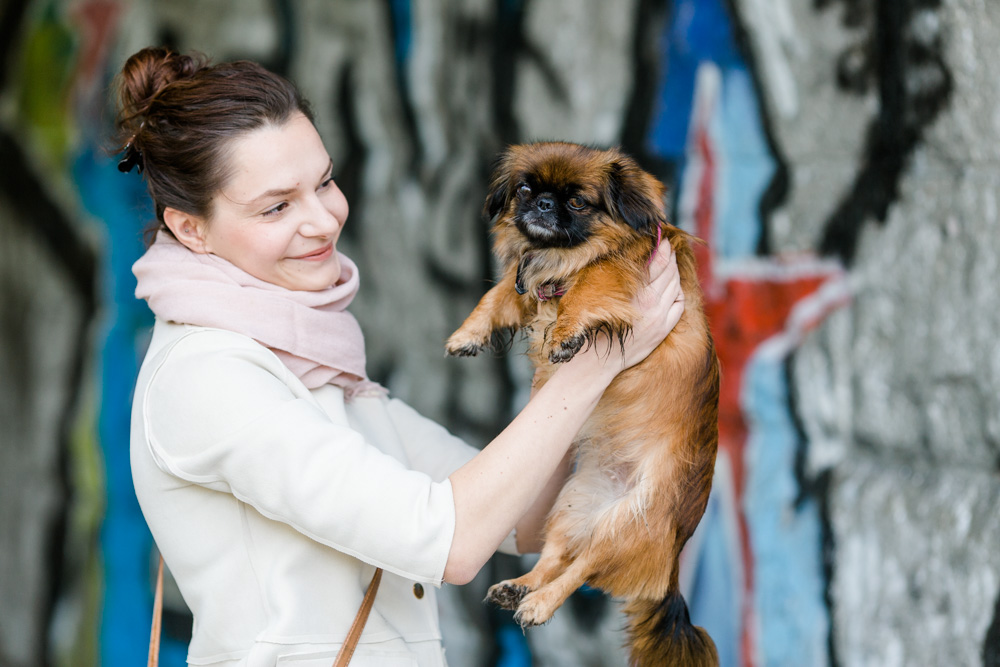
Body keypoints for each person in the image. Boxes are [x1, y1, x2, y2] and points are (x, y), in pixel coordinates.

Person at [120, 47, 685, 667]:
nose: (324, 220)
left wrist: (569, 333)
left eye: (325, 182)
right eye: (277, 207)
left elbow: (522, 519)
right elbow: (451, 540)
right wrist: (599, 359)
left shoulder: (313, 361)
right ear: (190, 228)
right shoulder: (209, 376)